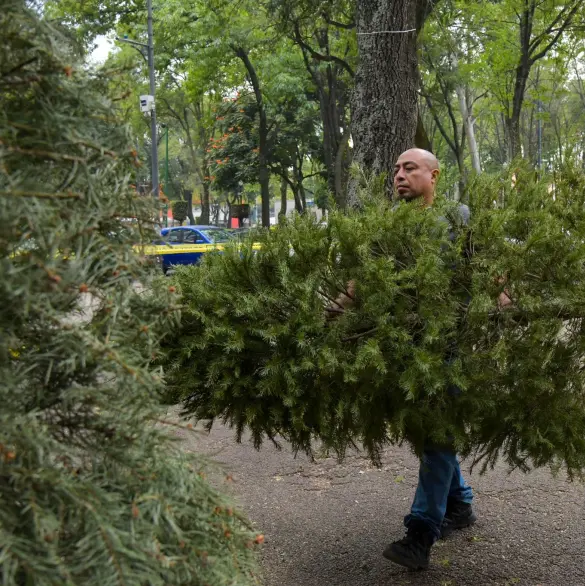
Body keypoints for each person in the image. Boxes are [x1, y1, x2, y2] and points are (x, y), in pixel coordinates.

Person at [332, 148, 477, 571]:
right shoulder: (390, 224)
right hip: (406, 349)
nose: (398, 175)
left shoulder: (457, 216)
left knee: (437, 435)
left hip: (447, 346)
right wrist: (339, 306)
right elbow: (364, 275)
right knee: (430, 432)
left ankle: (420, 533)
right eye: (395, 169)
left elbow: (481, 260)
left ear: (433, 176)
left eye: (409, 168)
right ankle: (461, 504)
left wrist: (503, 295)